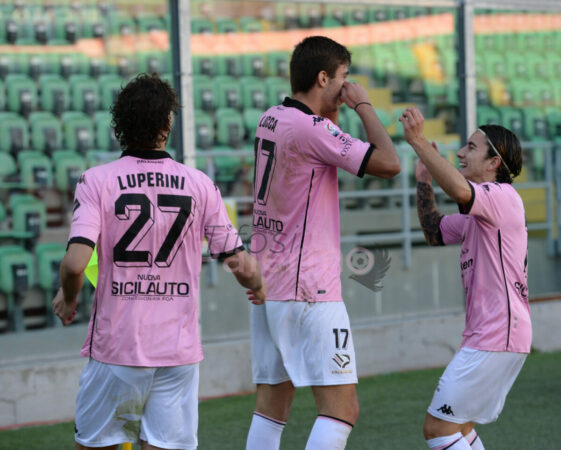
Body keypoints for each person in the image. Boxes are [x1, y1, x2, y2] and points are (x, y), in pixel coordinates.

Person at [52, 73, 266, 450]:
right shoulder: (199, 184)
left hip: (118, 349)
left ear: (120, 124)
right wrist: (258, 286)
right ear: (168, 122)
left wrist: (68, 298)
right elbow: (241, 264)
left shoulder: (96, 180)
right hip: (177, 353)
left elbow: (74, 265)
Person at [245, 36, 401, 450]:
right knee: (341, 409)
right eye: (343, 77)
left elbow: (325, 138)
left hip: (269, 285)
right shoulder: (311, 129)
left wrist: (334, 108)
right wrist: (363, 105)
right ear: (322, 78)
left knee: (271, 407)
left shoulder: (271, 118)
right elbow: (389, 163)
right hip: (309, 289)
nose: (348, 85)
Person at [400, 108, 531, 450]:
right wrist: (424, 181)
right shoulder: (481, 215)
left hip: (496, 335)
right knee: (459, 426)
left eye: (471, 147)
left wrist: (417, 141)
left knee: (437, 429)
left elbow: (460, 192)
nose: (460, 153)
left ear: (494, 163)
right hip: (494, 335)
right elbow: (433, 231)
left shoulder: (502, 196)